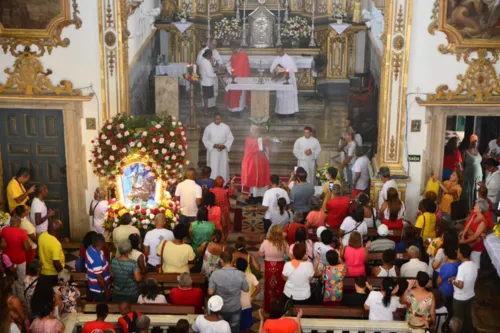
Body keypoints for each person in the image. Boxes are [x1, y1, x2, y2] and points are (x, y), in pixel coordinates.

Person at [208, 251, 249, 333]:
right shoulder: (240, 274)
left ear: (221, 261)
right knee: (234, 329)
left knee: (220, 330)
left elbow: (210, 292)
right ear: (233, 259)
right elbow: (246, 289)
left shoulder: (215, 274)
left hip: (220, 308)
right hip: (235, 308)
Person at [258, 225, 288, 313]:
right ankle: (279, 308)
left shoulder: (265, 242)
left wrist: (265, 254)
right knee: (280, 287)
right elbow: (289, 255)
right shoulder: (284, 243)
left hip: (269, 267)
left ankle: (268, 308)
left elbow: (259, 254)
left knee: (269, 287)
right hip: (280, 267)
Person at [1, 214, 30, 299]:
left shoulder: (4, 230)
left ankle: (12, 298)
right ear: (18, 223)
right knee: (20, 281)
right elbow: (27, 248)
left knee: (10, 281)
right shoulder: (22, 232)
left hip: (7, 261)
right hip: (20, 260)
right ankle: (20, 300)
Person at [451, 244, 477, 333]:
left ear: (461, 254)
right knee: (468, 318)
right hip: (470, 295)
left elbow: (461, 285)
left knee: (458, 321)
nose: (456, 253)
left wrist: (452, 281)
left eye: (458, 251)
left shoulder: (462, 267)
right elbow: (473, 279)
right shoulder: (474, 265)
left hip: (460, 298)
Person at [202, 113, 234, 183]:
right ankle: (213, 182)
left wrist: (224, 146)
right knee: (214, 167)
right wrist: (214, 145)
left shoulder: (226, 127)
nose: (218, 120)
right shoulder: (209, 128)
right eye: (216, 119)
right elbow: (205, 139)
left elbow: (230, 138)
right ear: (213, 119)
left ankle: (224, 182)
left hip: (223, 150)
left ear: (221, 119)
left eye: (219, 119)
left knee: (223, 166)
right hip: (213, 151)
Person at [241, 125, 271, 198]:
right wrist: (263, 139)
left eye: (256, 130)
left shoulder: (262, 139)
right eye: (253, 131)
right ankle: (252, 196)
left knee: (262, 178)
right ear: (250, 131)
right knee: (252, 179)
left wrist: (265, 148)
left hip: (262, 163)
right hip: (251, 163)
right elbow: (252, 145)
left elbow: (268, 148)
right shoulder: (249, 139)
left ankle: (262, 196)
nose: (255, 132)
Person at [460, 198, 488, 268]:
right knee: (467, 261)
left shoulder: (483, 222)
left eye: (476, 206)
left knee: (475, 265)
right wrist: (463, 236)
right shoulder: (474, 215)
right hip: (468, 241)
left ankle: (475, 278)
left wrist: (464, 242)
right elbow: (467, 227)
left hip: (476, 245)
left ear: (480, 210)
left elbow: (475, 237)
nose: (474, 207)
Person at [271, 47, 299, 115]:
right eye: (278, 52)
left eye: (280, 51)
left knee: (289, 96)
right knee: (281, 97)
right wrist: (277, 71)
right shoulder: (276, 59)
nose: (279, 53)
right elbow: (272, 69)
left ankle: (291, 112)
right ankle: (281, 112)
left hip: (289, 78)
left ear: (283, 50)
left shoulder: (289, 58)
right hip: (280, 79)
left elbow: (294, 69)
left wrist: (286, 70)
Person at [236, 258, 260, 333]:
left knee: (237, 326)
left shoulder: (233, 276)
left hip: (235, 305)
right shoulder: (251, 276)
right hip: (247, 304)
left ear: (236, 266)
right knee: (247, 326)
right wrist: (252, 297)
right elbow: (258, 288)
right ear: (246, 267)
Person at [196, 39, 222, 110]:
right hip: (207, 76)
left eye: (215, 45)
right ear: (209, 43)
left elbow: (220, 62)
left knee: (214, 90)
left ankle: (212, 105)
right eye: (213, 45)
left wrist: (216, 64)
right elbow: (199, 62)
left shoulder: (215, 51)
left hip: (213, 74)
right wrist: (210, 64)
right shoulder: (203, 51)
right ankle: (206, 107)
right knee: (206, 92)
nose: (214, 47)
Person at [224, 45, 251, 112]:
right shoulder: (234, 54)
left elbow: (245, 67)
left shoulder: (243, 55)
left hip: (242, 77)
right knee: (233, 92)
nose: (233, 51)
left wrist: (243, 75)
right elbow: (230, 63)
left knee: (241, 94)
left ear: (237, 48)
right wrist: (228, 68)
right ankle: (233, 107)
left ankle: (239, 107)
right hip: (233, 76)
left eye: (233, 49)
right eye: (232, 49)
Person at [86, 233, 111, 302]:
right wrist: (106, 291)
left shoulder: (90, 248)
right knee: (101, 306)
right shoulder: (96, 257)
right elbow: (99, 278)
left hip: (91, 284)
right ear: (102, 243)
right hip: (99, 289)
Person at [38, 219, 65, 286]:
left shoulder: (41, 236)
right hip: (53, 274)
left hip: (43, 271)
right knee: (54, 293)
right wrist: (63, 274)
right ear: (57, 231)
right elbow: (56, 263)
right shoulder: (55, 243)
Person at [437, 245, 460, 321]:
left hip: (445, 292)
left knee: (444, 308)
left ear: (446, 256)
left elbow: (439, 281)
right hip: (455, 291)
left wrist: (437, 286)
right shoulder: (459, 263)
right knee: (451, 308)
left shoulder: (445, 267)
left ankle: (445, 321)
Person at [461, 134, 483, 212]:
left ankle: (477, 209)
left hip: (478, 177)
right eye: (475, 141)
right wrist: (461, 175)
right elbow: (462, 165)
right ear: (471, 142)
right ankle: (468, 210)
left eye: (477, 141)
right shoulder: (465, 152)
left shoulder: (477, 151)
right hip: (469, 177)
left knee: (477, 193)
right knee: (469, 193)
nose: (476, 143)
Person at [199, 49, 217, 115]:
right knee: (206, 97)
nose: (211, 56)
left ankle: (206, 110)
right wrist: (216, 74)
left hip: (205, 81)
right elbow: (209, 74)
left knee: (205, 97)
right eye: (211, 55)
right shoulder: (206, 62)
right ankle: (206, 111)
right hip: (207, 82)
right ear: (208, 55)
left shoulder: (203, 60)